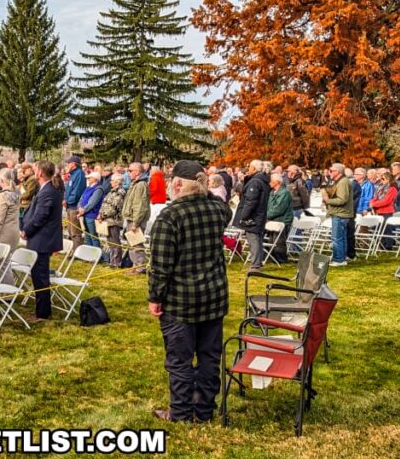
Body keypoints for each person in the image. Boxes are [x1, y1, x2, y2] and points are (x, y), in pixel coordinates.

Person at [147, 160, 232, 423]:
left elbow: (161, 266)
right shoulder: (217, 210)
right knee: (209, 357)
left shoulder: (170, 216)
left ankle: (183, 412)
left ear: (178, 184)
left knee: (180, 360)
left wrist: (155, 297)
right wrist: (203, 188)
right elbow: (221, 206)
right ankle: (203, 410)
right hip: (213, 296)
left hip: (181, 301)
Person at [20, 161, 64, 322]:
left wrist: (26, 231)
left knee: (40, 276)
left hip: (42, 240)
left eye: (35, 169)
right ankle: (41, 310)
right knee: (38, 276)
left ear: (39, 173)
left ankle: (43, 313)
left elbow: (40, 217)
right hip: (39, 239)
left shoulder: (48, 191)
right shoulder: (47, 189)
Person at [232, 160, 270, 270]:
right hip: (259, 214)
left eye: (249, 167)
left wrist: (244, 216)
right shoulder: (262, 180)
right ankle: (258, 262)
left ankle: (255, 265)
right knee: (257, 238)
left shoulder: (255, 181)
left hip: (253, 215)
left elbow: (251, 201)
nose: (248, 169)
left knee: (253, 238)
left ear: (254, 168)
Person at [323, 163, 353, 267]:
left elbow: (342, 199)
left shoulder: (343, 182)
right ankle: (342, 258)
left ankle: (338, 259)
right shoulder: (340, 181)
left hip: (340, 213)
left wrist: (328, 200)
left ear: (338, 171)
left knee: (337, 238)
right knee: (341, 238)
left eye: (332, 170)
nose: (329, 172)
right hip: (340, 213)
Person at [97, 173, 127, 267]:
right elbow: (105, 204)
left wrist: (103, 215)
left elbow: (114, 207)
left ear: (117, 182)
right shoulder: (112, 191)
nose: (110, 182)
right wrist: (100, 214)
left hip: (114, 221)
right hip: (107, 220)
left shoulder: (120, 192)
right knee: (110, 242)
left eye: (112, 180)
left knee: (115, 242)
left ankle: (116, 263)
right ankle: (112, 261)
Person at [0, 168, 20, 249]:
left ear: (1, 180)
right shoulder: (15, 193)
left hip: (3, 237)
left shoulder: (3, 196)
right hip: (13, 234)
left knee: (0, 261)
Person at [266, 173, 293, 263]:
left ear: (276, 182)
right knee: (271, 240)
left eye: (271, 180)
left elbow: (278, 209)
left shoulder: (284, 193)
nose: (269, 182)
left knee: (279, 242)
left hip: (282, 220)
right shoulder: (272, 192)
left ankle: (281, 259)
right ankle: (272, 257)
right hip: (273, 220)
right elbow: (269, 206)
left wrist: (266, 216)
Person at [77, 172, 105, 248]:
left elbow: (92, 202)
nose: (88, 179)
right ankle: (89, 254)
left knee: (93, 236)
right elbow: (81, 198)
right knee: (87, 235)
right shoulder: (88, 187)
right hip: (85, 214)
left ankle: (96, 255)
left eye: (90, 178)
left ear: (95, 179)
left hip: (92, 215)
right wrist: (79, 207)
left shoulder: (99, 189)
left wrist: (83, 210)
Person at [62, 156, 86, 245]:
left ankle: (78, 252)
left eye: (68, 163)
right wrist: (64, 199)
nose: (67, 165)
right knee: (70, 230)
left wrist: (68, 201)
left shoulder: (79, 174)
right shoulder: (72, 175)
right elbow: (68, 190)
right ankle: (74, 250)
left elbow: (77, 192)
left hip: (74, 206)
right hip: (69, 206)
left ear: (73, 164)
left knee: (75, 232)